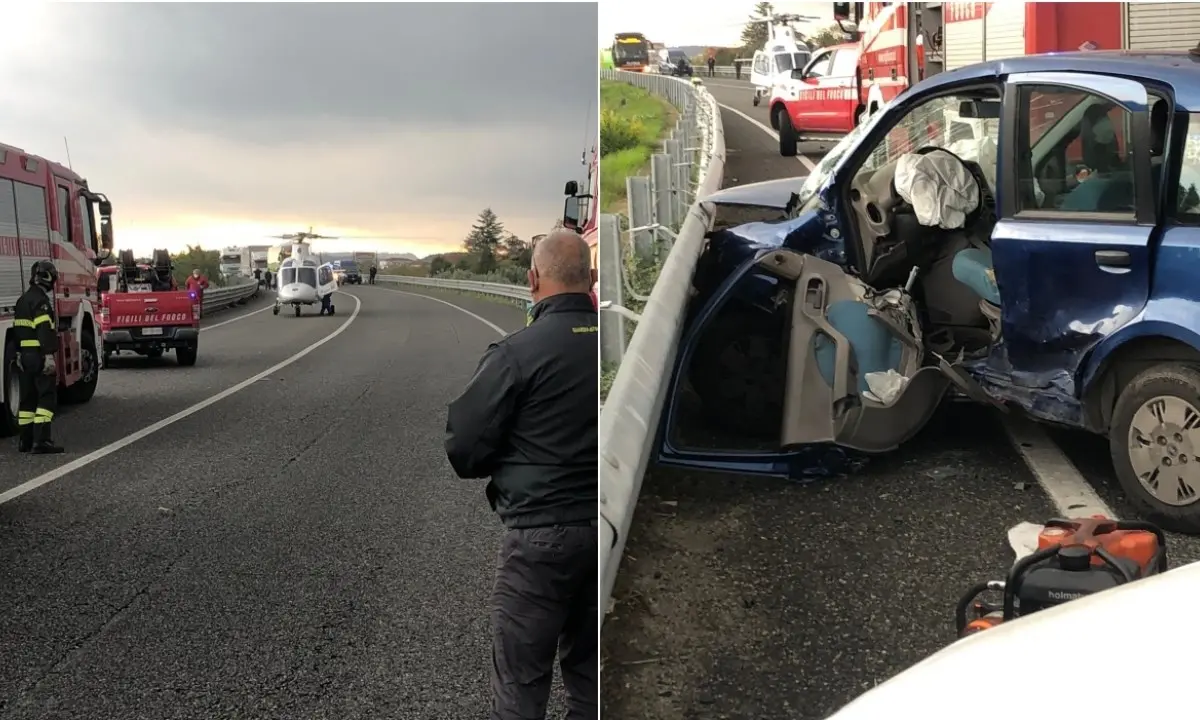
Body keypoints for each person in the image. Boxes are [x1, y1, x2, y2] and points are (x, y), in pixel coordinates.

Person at [444, 229, 598, 720]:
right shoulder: (621, 344)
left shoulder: (516, 354)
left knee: (521, 683)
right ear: (591, 279)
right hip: (613, 525)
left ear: (531, 279)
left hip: (541, 536)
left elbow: (465, 449)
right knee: (593, 682)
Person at [14, 261, 65, 454]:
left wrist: (19, 353)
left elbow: (18, 330)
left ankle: (25, 441)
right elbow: (44, 331)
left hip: (24, 357)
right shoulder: (41, 302)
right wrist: (49, 356)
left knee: (27, 400)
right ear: (47, 277)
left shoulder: (22, 300)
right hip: (39, 356)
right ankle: (41, 441)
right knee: (46, 398)